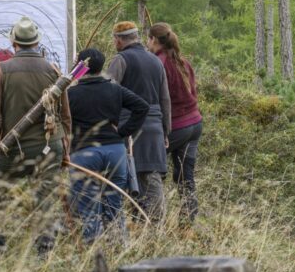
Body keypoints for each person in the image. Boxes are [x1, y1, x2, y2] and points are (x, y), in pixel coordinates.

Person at [0, 16, 71, 255]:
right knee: (45, 198)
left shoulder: (2, 70)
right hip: (49, 147)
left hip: (13, 148)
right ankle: (44, 251)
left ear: (14, 44)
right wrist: (63, 147)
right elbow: (65, 115)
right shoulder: (54, 70)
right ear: (36, 43)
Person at [66, 47, 150, 241]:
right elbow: (142, 106)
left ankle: (94, 252)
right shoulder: (115, 89)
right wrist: (122, 132)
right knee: (114, 205)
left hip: (83, 155)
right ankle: (119, 247)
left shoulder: (71, 94)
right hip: (115, 152)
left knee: (88, 207)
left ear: (81, 67)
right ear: (102, 66)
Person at [105, 20, 171, 220]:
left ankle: (130, 223)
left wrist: (107, 126)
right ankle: (155, 225)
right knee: (151, 177)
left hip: (129, 126)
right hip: (155, 128)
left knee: (124, 177)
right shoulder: (156, 61)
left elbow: (108, 94)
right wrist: (166, 131)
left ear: (118, 40)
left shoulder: (120, 60)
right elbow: (165, 99)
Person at [148, 22, 203, 224]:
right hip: (195, 124)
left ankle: (152, 219)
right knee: (185, 177)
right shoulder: (183, 62)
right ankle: (189, 222)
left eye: (148, 39)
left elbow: (156, 98)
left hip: (176, 127)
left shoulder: (158, 64)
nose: (147, 43)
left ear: (154, 40)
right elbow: (193, 93)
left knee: (152, 171)